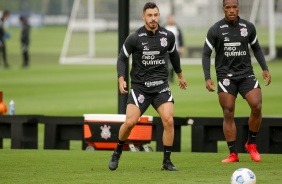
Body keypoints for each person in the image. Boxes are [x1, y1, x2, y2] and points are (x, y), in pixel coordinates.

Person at [108, 2, 187, 171]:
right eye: (150, 15)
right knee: (130, 122)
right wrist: (121, 78)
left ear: (159, 16)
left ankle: (166, 161)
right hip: (140, 88)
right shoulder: (134, 38)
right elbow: (122, 58)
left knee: (169, 121)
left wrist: (180, 76)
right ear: (143, 16)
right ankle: (117, 151)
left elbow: (174, 56)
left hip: (161, 87)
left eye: (156, 15)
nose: (153, 18)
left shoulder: (168, 36)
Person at [202, 0, 271, 163]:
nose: (231, 10)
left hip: (246, 74)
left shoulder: (248, 27)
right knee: (228, 111)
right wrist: (208, 77)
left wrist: (265, 68)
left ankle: (251, 144)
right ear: (223, 9)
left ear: (238, 8)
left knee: (257, 106)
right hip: (225, 77)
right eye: (228, 7)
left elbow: (257, 48)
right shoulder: (215, 29)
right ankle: (233, 153)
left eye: (234, 7)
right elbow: (206, 53)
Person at [164, 15, 185, 83]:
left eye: (172, 19)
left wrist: (181, 46)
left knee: (174, 64)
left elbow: (180, 38)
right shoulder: (164, 27)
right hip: (165, 50)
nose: (171, 20)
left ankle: (171, 78)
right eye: (170, 19)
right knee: (165, 64)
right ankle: (165, 78)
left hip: (175, 49)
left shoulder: (177, 28)